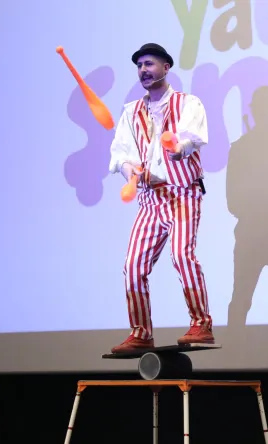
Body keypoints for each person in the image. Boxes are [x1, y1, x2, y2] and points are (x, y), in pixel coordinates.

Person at [107, 43, 214, 353]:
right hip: (151, 198)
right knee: (133, 265)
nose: (143, 69)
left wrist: (179, 149)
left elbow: (192, 138)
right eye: (139, 65)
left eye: (149, 63)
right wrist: (130, 172)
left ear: (166, 68)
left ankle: (201, 324)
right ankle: (141, 332)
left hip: (182, 193)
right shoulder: (131, 112)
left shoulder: (187, 103)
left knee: (182, 255)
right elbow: (121, 154)